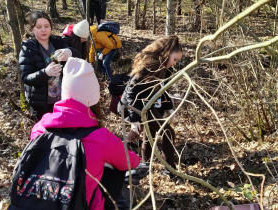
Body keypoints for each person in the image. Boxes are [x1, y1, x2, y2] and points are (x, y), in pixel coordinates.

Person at [30, 57, 140, 210]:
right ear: (94, 99)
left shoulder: (40, 128)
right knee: (114, 171)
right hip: (81, 206)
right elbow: (130, 162)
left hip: (38, 203)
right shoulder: (101, 138)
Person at [117, 35, 183, 177]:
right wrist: (135, 119)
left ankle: (144, 165)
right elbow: (131, 92)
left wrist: (168, 107)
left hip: (150, 107)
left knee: (150, 136)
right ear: (167, 53)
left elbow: (162, 90)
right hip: (140, 107)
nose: (175, 63)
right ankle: (169, 170)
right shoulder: (148, 68)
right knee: (168, 132)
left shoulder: (165, 69)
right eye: (175, 59)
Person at [19, 10, 80, 121]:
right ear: (32, 29)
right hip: (41, 104)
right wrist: (45, 73)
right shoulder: (27, 48)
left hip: (63, 100)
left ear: (51, 27)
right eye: (39, 27)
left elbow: (79, 57)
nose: (43, 30)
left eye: (46, 26)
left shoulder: (58, 42)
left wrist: (70, 52)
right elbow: (26, 78)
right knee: (45, 135)